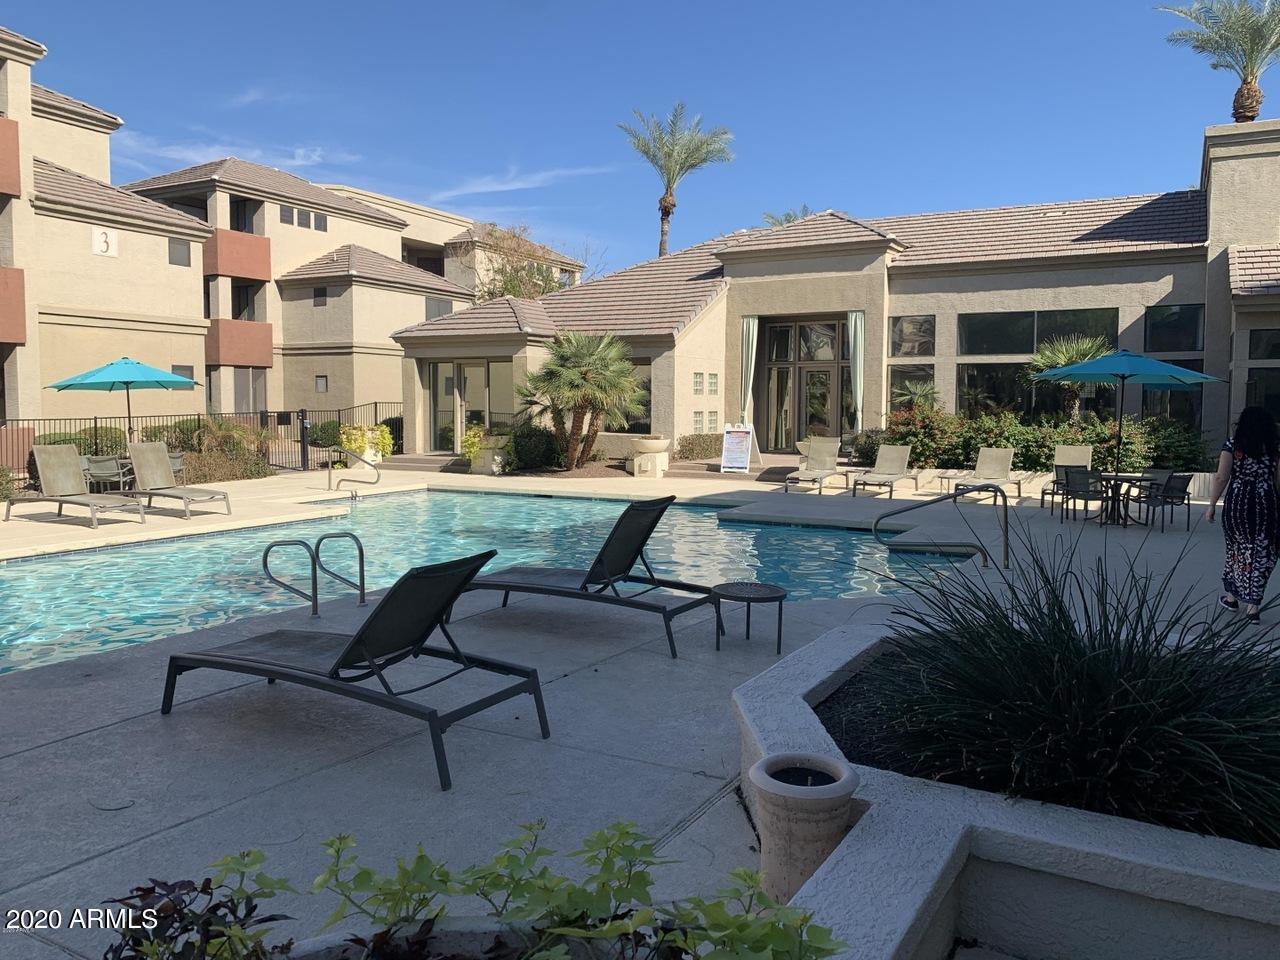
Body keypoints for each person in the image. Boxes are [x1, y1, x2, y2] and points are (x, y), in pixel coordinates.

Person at [1206, 406, 1280, 623]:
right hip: (1266, 504)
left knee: (1236, 550)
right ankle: (1252, 606)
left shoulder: (1233, 444)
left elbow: (1222, 476)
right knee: (1262, 552)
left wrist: (1211, 505)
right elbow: (1279, 480)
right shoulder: (1274, 447)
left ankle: (1232, 596)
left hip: (1237, 503)